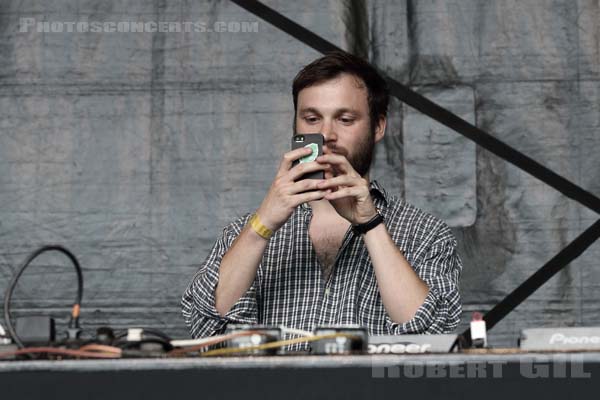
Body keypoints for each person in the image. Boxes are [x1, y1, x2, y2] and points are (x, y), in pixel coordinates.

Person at [182, 51, 462, 343]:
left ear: (378, 127)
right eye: (312, 118)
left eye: (345, 119)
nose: (326, 134)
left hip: (369, 390)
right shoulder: (245, 232)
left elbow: (431, 338)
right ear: (296, 125)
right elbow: (206, 329)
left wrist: (370, 224)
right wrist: (262, 224)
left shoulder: (427, 234)